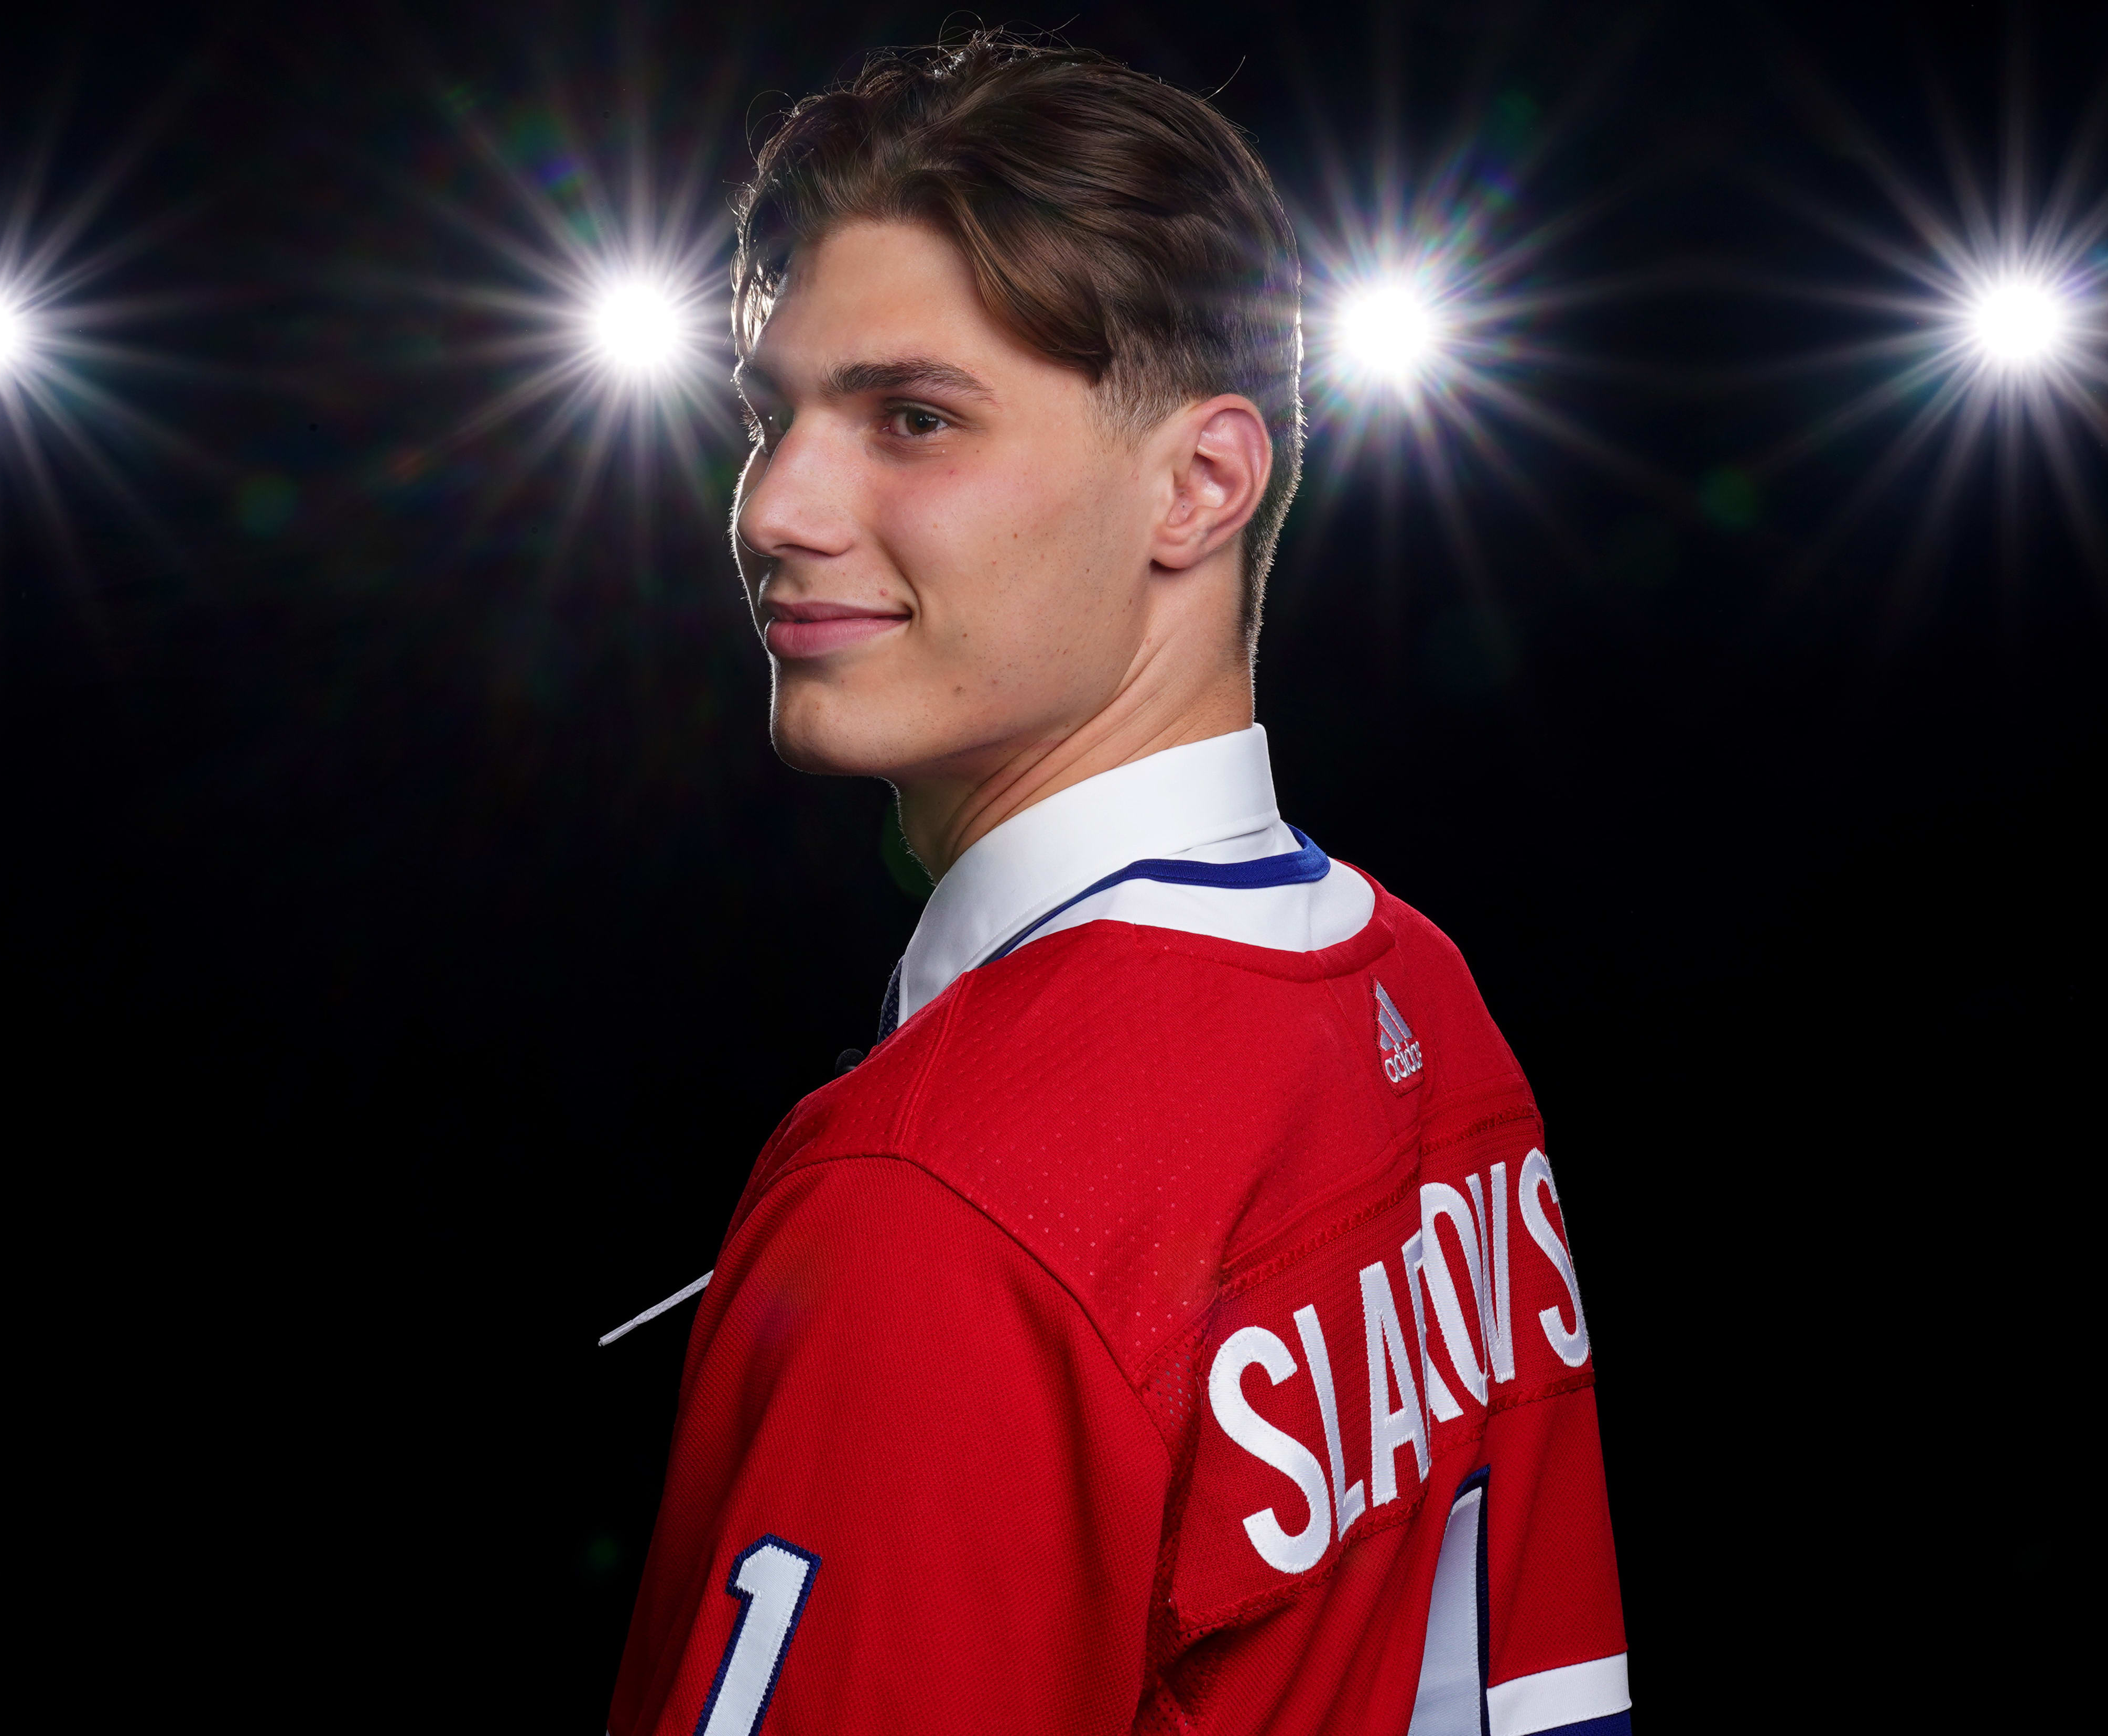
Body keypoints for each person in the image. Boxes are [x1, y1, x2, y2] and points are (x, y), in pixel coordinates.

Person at [609, 35, 1627, 1736]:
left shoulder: (931, 1197)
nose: (777, 505)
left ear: (1202, 484)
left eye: (912, 418)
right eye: (769, 415)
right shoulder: (1416, 987)